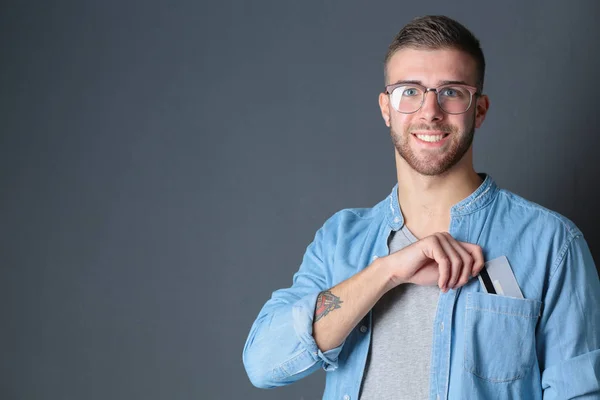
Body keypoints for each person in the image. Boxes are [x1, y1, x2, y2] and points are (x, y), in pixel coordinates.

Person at [242, 15, 600, 400]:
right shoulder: (339, 241)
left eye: (451, 92)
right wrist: (388, 272)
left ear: (479, 109)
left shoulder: (551, 244)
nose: (430, 111)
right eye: (409, 91)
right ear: (386, 108)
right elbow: (264, 362)